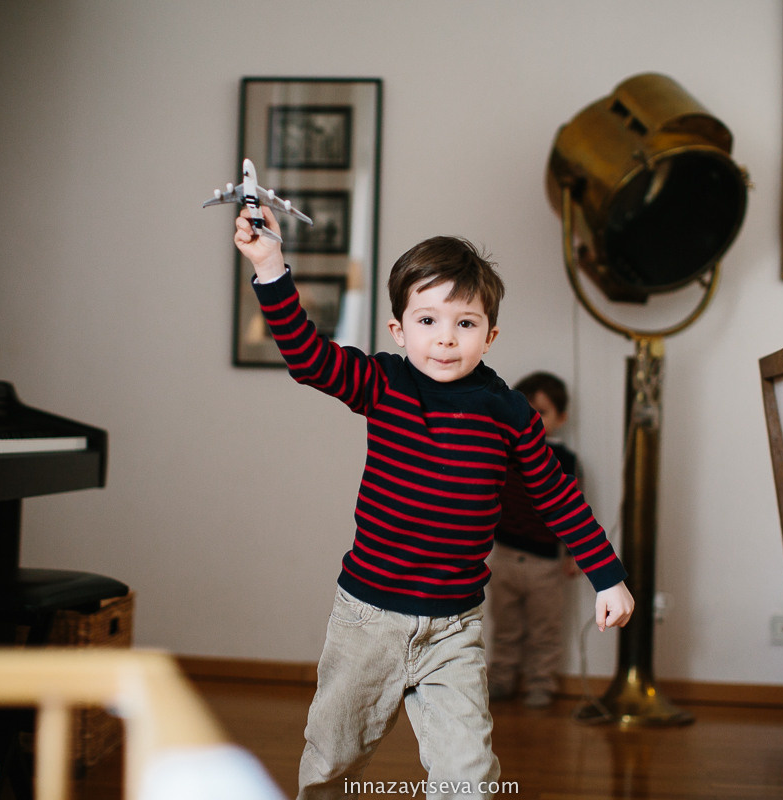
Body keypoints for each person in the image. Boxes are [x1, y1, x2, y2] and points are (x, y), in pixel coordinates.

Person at [234, 206, 635, 800]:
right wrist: (270, 266)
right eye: (428, 319)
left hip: (455, 627)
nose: (446, 337)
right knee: (332, 759)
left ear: (490, 335)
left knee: (468, 778)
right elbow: (307, 357)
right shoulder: (384, 383)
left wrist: (608, 577)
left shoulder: (510, 414)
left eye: (466, 323)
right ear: (399, 330)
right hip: (367, 619)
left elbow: (558, 496)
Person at [486, 371, 582, 708]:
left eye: (540, 412)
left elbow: (572, 510)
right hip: (505, 557)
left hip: (546, 563)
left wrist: (573, 554)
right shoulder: (502, 452)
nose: (532, 419)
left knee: (545, 630)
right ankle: (500, 679)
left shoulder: (565, 460)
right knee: (505, 627)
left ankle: (541, 683)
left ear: (561, 418)